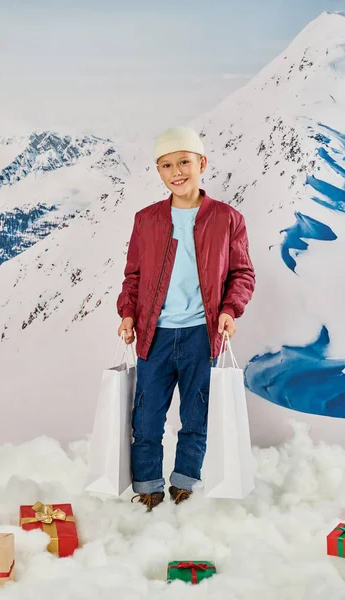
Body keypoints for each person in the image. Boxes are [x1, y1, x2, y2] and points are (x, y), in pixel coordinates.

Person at [116, 126, 255, 511]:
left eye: (183, 162)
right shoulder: (146, 220)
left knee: (196, 416)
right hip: (153, 334)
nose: (176, 171)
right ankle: (147, 486)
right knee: (146, 419)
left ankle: (184, 485)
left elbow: (242, 274)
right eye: (166, 165)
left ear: (201, 164)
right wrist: (128, 314)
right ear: (158, 172)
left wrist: (230, 310)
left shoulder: (228, 218)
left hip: (201, 333)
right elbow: (134, 276)